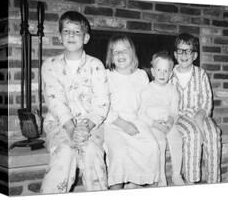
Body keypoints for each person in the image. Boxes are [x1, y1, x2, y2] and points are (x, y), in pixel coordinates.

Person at [40, 11, 110, 194]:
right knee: (64, 152)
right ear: (60, 36)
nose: (71, 35)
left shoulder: (96, 65)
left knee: (92, 153)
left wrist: (86, 127)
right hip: (60, 124)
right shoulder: (49, 65)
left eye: (76, 32)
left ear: (86, 38)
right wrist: (71, 129)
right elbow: (55, 101)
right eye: (66, 31)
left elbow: (102, 101)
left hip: (91, 124)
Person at [103, 35, 160, 190]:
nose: (120, 55)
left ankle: (138, 184)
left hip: (137, 120)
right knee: (119, 152)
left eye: (124, 50)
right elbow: (102, 106)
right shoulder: (107, 76)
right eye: (116, 52)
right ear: (111, 56)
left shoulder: (141, 75)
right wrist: (122, 124)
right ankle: (116, 188)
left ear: (132, 53)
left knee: (152, 146)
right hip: (113, 123)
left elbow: (146, 103)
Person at [170, 33, 221, 184]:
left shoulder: (201, 74)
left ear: (195, 55)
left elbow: (206, 99)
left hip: (200, 114)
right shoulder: (170, 74)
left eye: (188, 51)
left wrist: (200, 115)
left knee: (212, 133)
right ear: (175, 54)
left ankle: (214, 181)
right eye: (180, 50)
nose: (184, 54)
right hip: (180, 117)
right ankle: (191, 182)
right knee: (193, 134)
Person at [139, 52, 184, 186]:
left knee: (177, 140)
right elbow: (141, 113)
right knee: (160, 143)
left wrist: (170, 122)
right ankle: (161, 177)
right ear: (153, 71)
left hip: (169, 123)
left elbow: (174, 111)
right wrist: (155, 124)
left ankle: (176, 175)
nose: (162, 74)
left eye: (166, 71)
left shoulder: (172, 90)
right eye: (159, 70)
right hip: (153, 124)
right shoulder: (147, 90)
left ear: (170, 74)